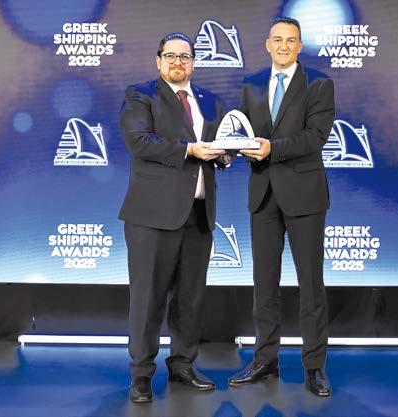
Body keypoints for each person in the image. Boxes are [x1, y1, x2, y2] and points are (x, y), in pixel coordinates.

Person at [227, 17, 335, 397]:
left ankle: (314, 367)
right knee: (264, 285)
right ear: (267, 44)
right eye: (278, 39)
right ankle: (265, 360)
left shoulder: (319, 83)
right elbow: (244, 135)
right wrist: (233, 150)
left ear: (300, 46)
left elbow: (316, 137)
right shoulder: (252, 84)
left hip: (304, 194)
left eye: (291, 40)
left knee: (311, 286)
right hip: (263, 193)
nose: (284, 46)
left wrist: (272, 148)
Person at [119, 32, 229, 403]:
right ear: (158, 61)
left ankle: (182, 364)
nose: (178, 62)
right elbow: (139, 142)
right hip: (152, 216)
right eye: (170, 56)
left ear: (194, 62)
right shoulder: (140, 95)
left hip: (198, 214)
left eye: (185, 56)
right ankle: (141, 374)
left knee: (189, 299)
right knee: (148, 299)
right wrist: (190, 150)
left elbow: (219, 147)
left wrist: (226, 155)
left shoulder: (210, 101)